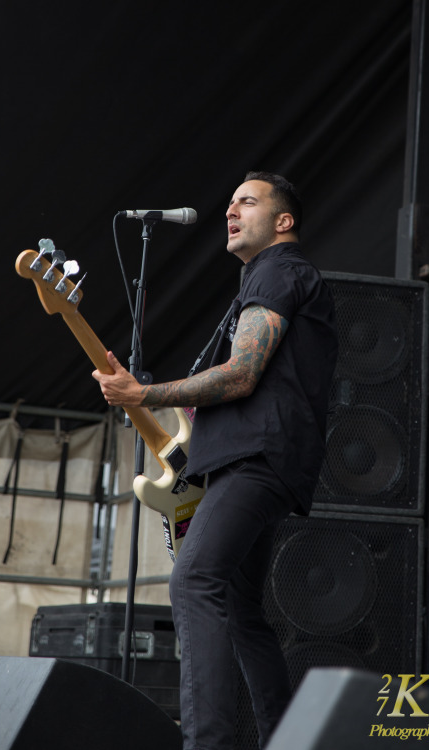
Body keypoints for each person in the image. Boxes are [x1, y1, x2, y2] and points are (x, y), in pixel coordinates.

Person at [92, 171, 338, 750]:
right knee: (239, 607)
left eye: (247, 202)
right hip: (258, 461)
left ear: (284, 222)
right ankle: (285, 738)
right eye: (229, 204)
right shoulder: (266, 278)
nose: (231, 211)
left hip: (257, 461)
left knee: (194, 581)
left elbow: (242, 373)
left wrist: (143, 394)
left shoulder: (280, 270)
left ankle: (208, 742)